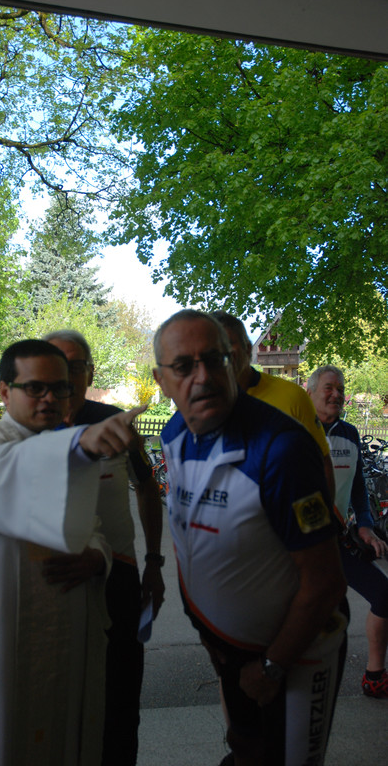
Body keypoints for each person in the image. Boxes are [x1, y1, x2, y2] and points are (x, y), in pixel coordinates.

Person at [153, 310, 347, 766]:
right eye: (183, 366)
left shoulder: (282, 449)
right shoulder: (173, 435)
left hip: (295, 655)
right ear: (161, 380)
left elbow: (325, 583)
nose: (203, 377)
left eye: (214, 359)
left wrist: (273, 666)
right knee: (243, 746)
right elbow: (191, 540)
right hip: (228, 649)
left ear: (234, 362)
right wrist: (206, 631)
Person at [0, 339, 146, 766]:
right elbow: (3, 473)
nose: (50, 398)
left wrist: (97, 558)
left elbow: (94, 532)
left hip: (64, 645)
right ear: (4, 391)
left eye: (60, 388)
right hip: (1, 644)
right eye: (35, 388)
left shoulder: (63, 449)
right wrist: (80, 444)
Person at [45, 329, 165, 766]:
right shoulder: (28, 430)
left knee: (119, 703)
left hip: (120, 577)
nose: (66, 376)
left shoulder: (117, 424)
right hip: (53, 584)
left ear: (90, 373)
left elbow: (147, 487)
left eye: (75, 366)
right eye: (56, 366)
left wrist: (154, 563)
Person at [307, 364, 388, 699]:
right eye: (328, 387)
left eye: (340, 388)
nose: (336, 394)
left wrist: (366, 525)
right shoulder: (294, 431)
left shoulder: (350, 434)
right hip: (295, 545)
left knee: (383, 595)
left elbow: (356, 485)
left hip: (337, 541)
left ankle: (375, 675)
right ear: (310, 393)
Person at [212, 311, 335, 499]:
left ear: (247, 349)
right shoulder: (201, 403)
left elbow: (322, 462)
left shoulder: (293, 396)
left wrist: (326, 513)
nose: (221, 354)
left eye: (227, 344)